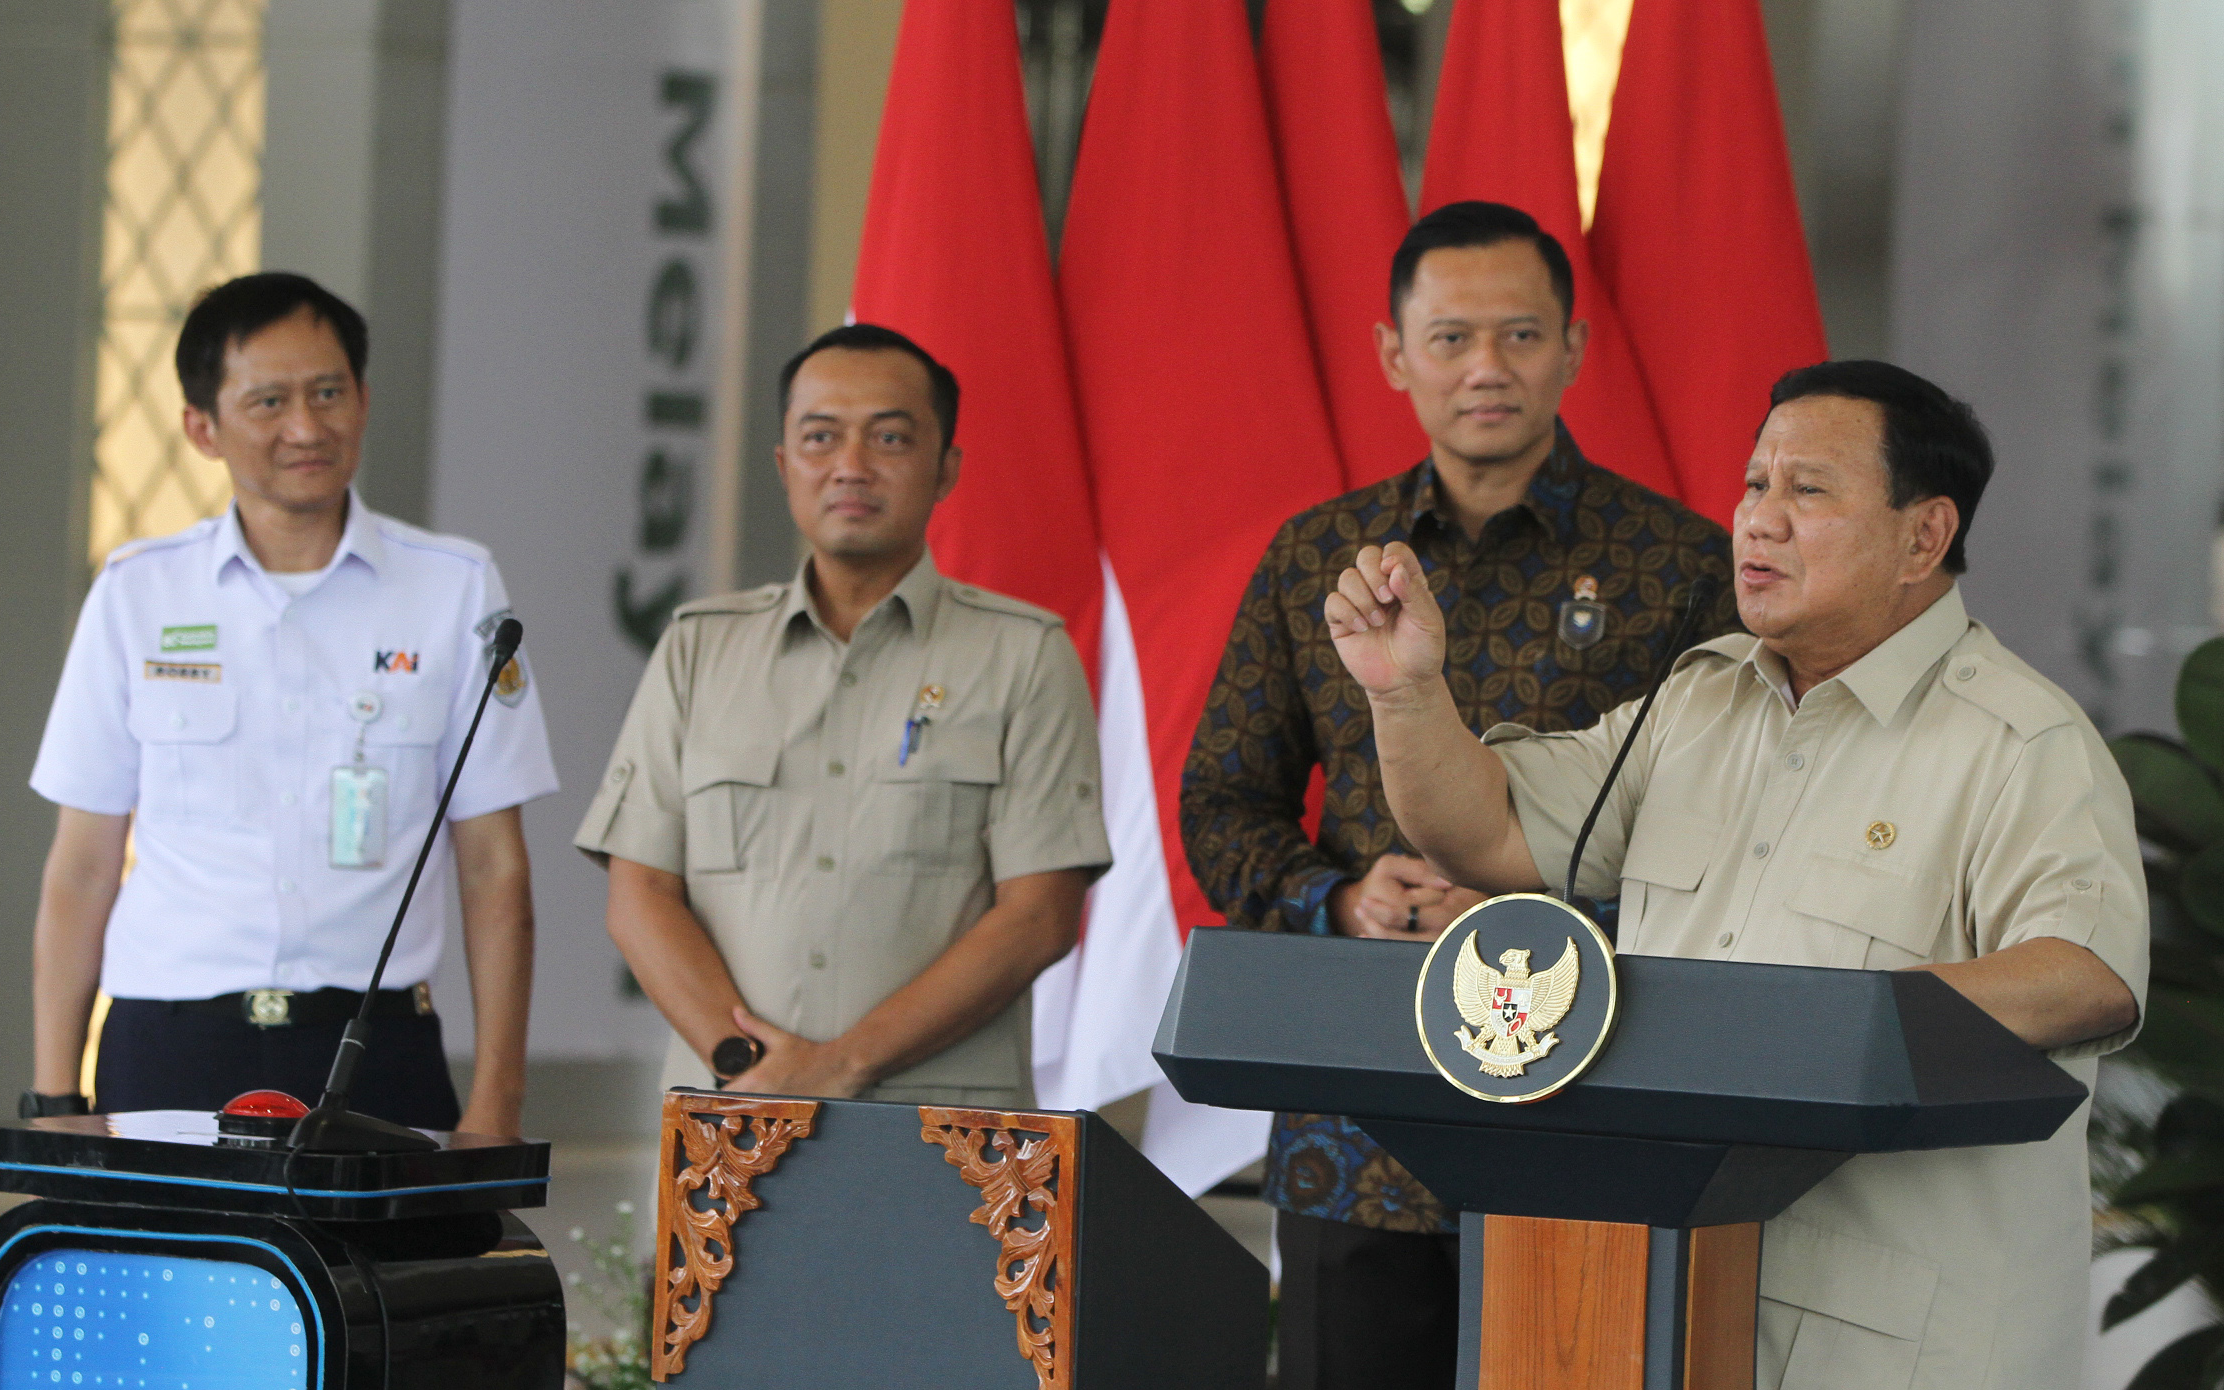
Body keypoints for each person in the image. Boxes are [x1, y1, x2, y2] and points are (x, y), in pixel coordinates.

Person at [1325, 360, 2145, 1388]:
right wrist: (1405, 695)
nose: (1758, 518)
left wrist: (1814, 1032)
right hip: (1668, 1300)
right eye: (1755, 483)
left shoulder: (2020, 740)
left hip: (1895, 1342)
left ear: (1923, 537)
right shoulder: (1696, 703)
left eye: (1807, 489)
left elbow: (2086, 974)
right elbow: (1487, 833)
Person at [1180, 200, 1736, 1389]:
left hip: (1592, 1107)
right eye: (1450, 339)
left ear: (1572, 347)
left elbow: (1729, 835)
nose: (1487, 367)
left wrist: (1551, 916)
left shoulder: (1681, 565)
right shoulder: (1318, 556)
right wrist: (1338, 899)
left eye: (1520, 335)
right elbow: (1223, 800)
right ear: (1394, 354)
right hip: (1355, 1120)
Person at [26, 272, 558, 1137]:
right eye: (268, 401)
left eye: (328, 393)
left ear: (364, 399)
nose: (307, 427)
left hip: (374, 1043)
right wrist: (55, 1097)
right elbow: (83, 865)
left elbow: (494, 866)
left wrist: (499, 1096)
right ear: (202, 428)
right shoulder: (137, 592)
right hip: (169, 1043)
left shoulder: (454, 589)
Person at [576, 323, 1110, 1106]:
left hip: (943, 1130)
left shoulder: (1024, 655)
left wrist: (841, 1065)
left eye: (889, 438)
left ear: (945, 468)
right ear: (783, 464)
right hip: (730, 1116)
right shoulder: (698, 648)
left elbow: (1037, 917)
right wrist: (745, 1065)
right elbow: (640, 896)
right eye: (820, 437)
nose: (850, 466)